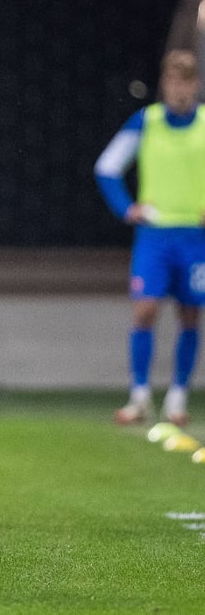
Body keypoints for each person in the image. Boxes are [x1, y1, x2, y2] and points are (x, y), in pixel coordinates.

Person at [95, 49, 205, 427]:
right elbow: (107, 167)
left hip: (195, 235)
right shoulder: (148, 121)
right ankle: (139, 395)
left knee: (190, 314)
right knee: (145, 310)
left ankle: (177, 398)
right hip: (154, 236)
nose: (180, 90)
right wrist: (127, 208)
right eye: (174, 81)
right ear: (165, 84)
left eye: (187, 82)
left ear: (196, 85)